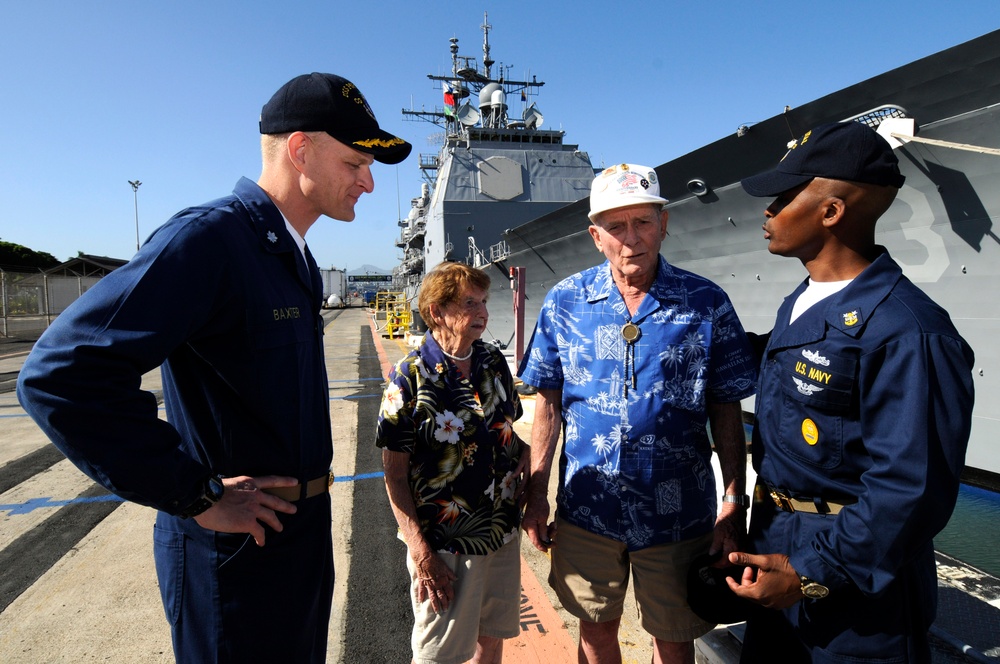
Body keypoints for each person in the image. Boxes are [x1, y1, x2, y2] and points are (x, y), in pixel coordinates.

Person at [16, 72, 411, 663]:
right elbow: (61, 374)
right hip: (234, 552)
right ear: (301, 149)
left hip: (295, 539)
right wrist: (194, 494)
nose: (369, 182)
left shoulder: (290, 255)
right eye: (356, 162)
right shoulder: (209, 241)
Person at [727, 121, 975, 663]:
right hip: (776, 542)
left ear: (831, 212)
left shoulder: (910, 330)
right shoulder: (805, 301)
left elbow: (913, 486)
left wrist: (810, 574)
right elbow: (787, 364)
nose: (767, 213)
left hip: (855, 578)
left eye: (783, 198)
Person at [518, 163, 758, 664]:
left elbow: (726, 407)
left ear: (664, 224)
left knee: (673, 639)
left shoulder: (707, 303)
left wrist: (734, 500)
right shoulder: (565, 302)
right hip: (588, 511)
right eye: (616, 226)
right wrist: (536, 495)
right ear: (594, 235)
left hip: (677, 514)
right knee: (595, 633)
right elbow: (548, 403)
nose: (632, 239)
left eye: (644, 222)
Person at [376, 262, 529, 664]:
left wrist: (528, 461)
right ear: (436, 312)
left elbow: (508, 428)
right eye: (468, 303)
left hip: (500, 531)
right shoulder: (409, 377)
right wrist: (421, 550)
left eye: (483, 302)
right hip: (445, 543)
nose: (481, 312)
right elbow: (393, 473)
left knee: (491, 639)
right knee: (439, 654)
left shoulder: (493, 361)